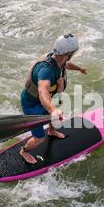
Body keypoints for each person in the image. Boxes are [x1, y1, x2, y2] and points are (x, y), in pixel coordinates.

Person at [20, 34, 87, 164]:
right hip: (32, 105)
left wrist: (80, 69)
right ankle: (24, 151)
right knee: (39, 138)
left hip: (44, 101)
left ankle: (51, 130)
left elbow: (67, 65)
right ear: (69, 53)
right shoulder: (46, 70)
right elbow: (42, 91)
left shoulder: (58, 59)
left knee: (53, 115)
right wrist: (52, 109)